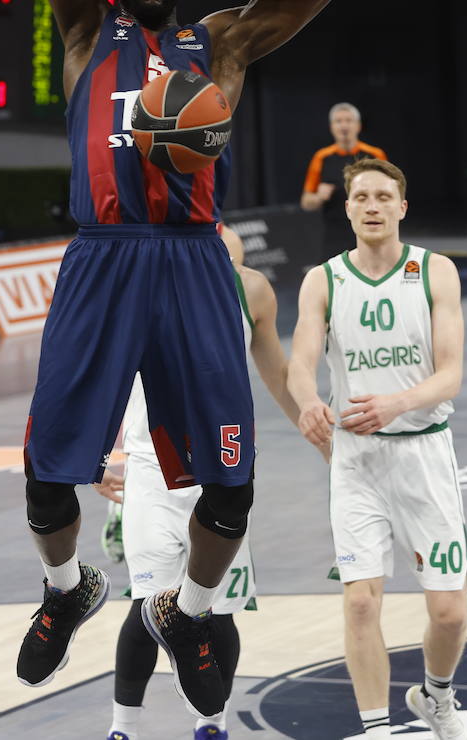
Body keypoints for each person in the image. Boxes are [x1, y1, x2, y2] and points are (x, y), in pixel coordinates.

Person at [18, 0, 354, 719]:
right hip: (102, 256)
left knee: (233, 482)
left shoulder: (224, 46)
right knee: (47, 475)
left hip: (194, 256)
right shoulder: (87, 32)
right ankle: (66, 589)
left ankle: (189, 611)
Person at [96, 225, 302, 740]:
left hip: (223, 470)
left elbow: (276, 373)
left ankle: (212, 724)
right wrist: (95, 455)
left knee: (219, 609)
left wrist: (313, 425)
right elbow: (103, 372)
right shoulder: (139, 275)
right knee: (149, 607)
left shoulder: (248, 285)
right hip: (153, 463)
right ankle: (124, 728)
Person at [288, 158, 467, 740]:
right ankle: (375, 730)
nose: (371, 205)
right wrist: (308, 401)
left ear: (401, 207)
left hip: (423, 453)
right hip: (358, 461)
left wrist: (396, 402)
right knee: (362, 603)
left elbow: (451, 377)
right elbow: (299, 363)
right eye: (361, 196)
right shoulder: (324, 278)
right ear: (346, 208)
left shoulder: (435, 270)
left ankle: (436, 697)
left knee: (450, 613)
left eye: (382, 196)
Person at [300, 103, 387, 256]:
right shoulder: (322, 157)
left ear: (358, 126)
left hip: (368, 228)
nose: (344, 126)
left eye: (348, 120)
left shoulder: (375, 155)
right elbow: (306, 202)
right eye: (338, 121)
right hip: (335, 233)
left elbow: (389, 192)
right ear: (332, 127)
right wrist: (319, 197)